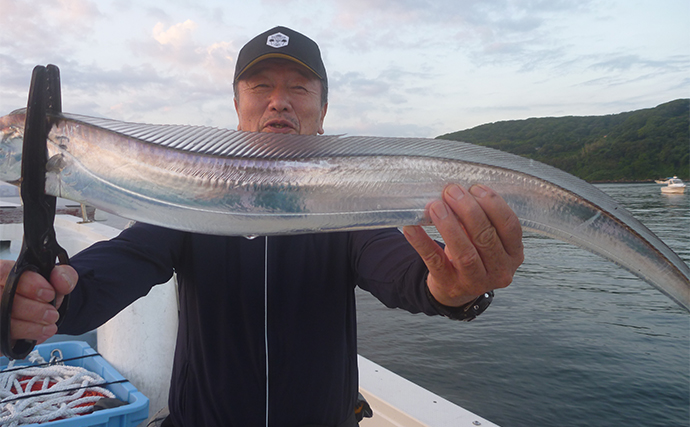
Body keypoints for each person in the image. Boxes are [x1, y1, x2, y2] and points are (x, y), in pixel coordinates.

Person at [0, 26, 524, 426]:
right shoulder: (190, 205)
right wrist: (44, 297)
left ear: (321, 112)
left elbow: (405, 274)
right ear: (238, 107)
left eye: (300, 87)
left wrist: (457, 289)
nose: (280, 100)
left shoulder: (345, 213)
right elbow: (113, 270)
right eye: (261, 86)